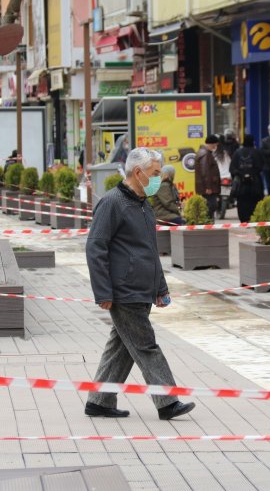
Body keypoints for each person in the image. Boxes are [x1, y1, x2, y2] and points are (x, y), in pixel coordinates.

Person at [85, 147, 196, 420]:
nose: (158, 178)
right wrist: (103, 292)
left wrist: (160, 289)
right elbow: (95, 247)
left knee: (122, 347)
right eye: (155, 173)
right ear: (138, 172)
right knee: (146, 345)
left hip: (141, 288)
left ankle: (99, 401)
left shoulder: (144, 203)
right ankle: (168, 402)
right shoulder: (112, 203)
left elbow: (149, 250)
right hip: (124, 290)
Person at [229, 134, 264, 223]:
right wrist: (251, 174)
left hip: (241, 184)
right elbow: (261, 166)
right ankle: (253, 218)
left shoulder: (237, 153)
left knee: (242, 202)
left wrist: (241, 175)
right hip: (255, 183)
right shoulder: (257, 152)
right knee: (254, 201)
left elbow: (232, 168)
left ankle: (244, 219)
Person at [194, 134, 221, 220]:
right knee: (211, 206)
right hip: (208, 188)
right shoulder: (206, 154)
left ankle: (208, 224)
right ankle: (208, 224)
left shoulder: (203, 152)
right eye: (215, 144)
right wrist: (208, 187)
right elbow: (205, 172)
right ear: (212, 144)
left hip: (205, 187)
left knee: (209, 206)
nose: (216, 146)